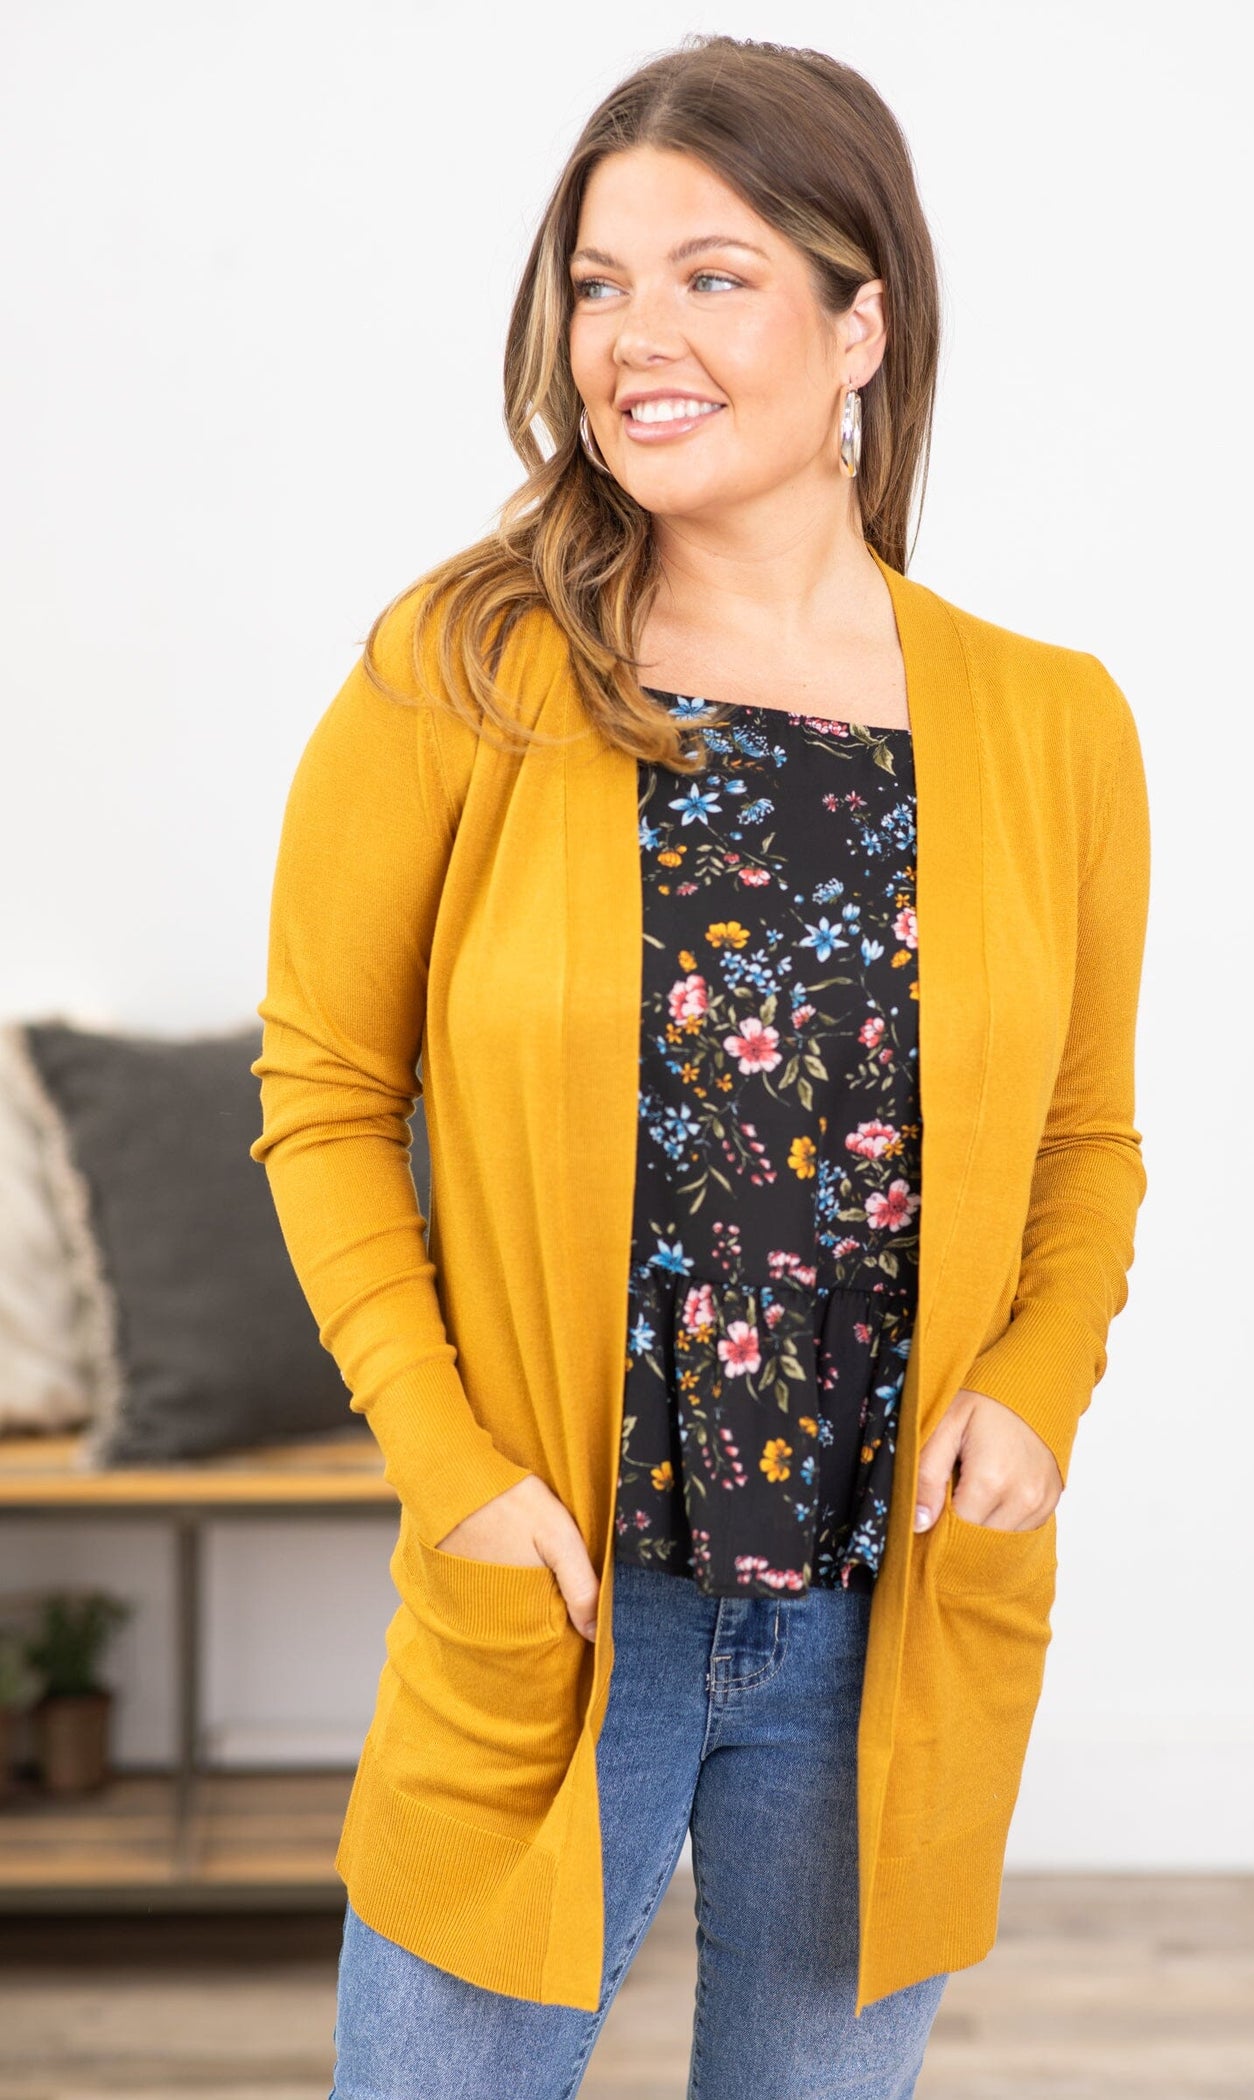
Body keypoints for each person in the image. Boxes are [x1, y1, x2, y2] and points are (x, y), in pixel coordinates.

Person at [250, 33, 1151, 2100]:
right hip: (561, 1588)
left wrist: (1036, 1389)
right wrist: (453, 1478)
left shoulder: (1053, 727)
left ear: (862, 327)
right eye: (597, 283)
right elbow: (324, 1099)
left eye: (711, 276)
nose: (632, 337)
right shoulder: (460, 670)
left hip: (884, 1605)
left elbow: (1084, 1140)